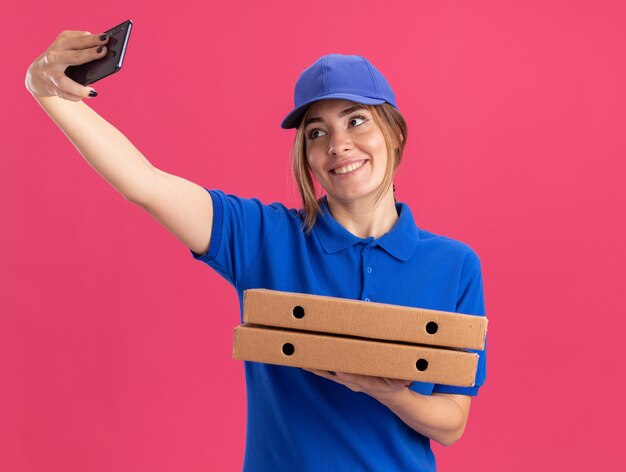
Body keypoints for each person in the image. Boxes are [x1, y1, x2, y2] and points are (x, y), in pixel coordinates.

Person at [26, 31, 487, 472]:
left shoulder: (454, 265)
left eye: (356, 119)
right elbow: (144, 183)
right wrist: (45, 89)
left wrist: (385, 391)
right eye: (316, 133)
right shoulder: (263, 236)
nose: (339, 144)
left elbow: (452, 422)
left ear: (395, 134)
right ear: (306, 156)